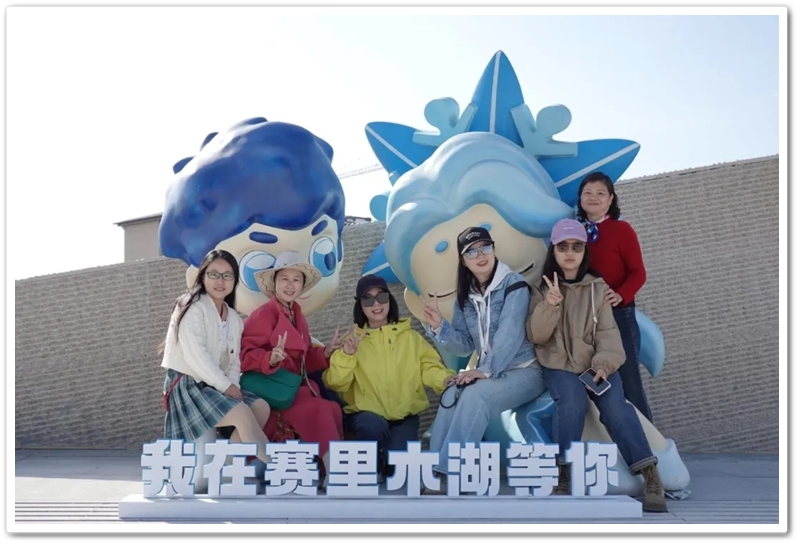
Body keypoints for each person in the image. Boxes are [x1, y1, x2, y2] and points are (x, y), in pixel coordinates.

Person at [527, 218, 667, 512]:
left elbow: (607, 334)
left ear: (584, 250)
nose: (570, 252)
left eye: (576, 246)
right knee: (572, 401)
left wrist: (603, 365)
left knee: (616, 406)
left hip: (595, 365)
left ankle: (650, 476)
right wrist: (550, 305)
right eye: (563, 246)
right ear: (553, 250)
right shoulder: (541, 287)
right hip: (559, 364)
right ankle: (563, 473)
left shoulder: (598, 287)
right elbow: (536, 336)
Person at [420, 226, 546, 493]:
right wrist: (440, 326)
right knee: (451, 392)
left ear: (494, 249)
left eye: (485, 247)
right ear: (463, 260)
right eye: (471, 251)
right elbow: (465, 345)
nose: (480, 255)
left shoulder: (514, 285)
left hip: (526, 371)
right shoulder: (465, 298)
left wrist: (485, 370)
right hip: (494, 374)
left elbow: (511, 334)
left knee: (476, 395)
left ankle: (451, 472)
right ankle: (433, 473)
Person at [323, 275, 456, 481]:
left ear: (390, 300)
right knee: (372, 426)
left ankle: (388, 462)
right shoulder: (352, 342)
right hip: (367, 418)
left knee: (398, 472)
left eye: (381, 296)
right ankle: (370, 466)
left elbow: (429, 367)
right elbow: (335, 383)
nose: (376, 304)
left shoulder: (411, 338)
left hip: (404, 417)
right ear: (360, 306)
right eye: (368, 299)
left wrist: (444, 380)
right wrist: (347, 357)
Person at [240, 250, 345, 484]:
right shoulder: (262, 316)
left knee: (332, 408)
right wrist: (269, 358)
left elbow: (304, 360)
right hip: (273, 390)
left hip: (293, 388)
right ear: (274, 283)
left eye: (296, 280)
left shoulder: (298, 316)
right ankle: (333, 472)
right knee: (319, 409)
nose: (290, 285)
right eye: (285, 279)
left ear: (302, 286)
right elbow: (243, 356)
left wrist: (325, 352)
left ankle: (325, 469)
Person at [160, 249, 271, 465]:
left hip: (215, 385)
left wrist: (233, 385)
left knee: (261, 407)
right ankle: (276, 466)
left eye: (227, 275)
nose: (220, 281)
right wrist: (226, 387)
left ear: (235, 280)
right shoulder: (191, 305)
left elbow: (234, 361)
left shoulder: (234, 318)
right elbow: (197, 356)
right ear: (203, 276)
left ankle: (227, 468)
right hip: (188, 385)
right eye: (214, 274)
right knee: (241, 413)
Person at [577, 171, 653, 422]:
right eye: (588, 193)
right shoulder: (574, 233)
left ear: (611, 199)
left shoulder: (622, 229)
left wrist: (620, 295)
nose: (593, 197)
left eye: (601, 193)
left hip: (619, 316)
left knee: (629, 381)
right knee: (596, 381)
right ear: (580, 198)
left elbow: (638, 273)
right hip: (585, 320)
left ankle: (646, 440)